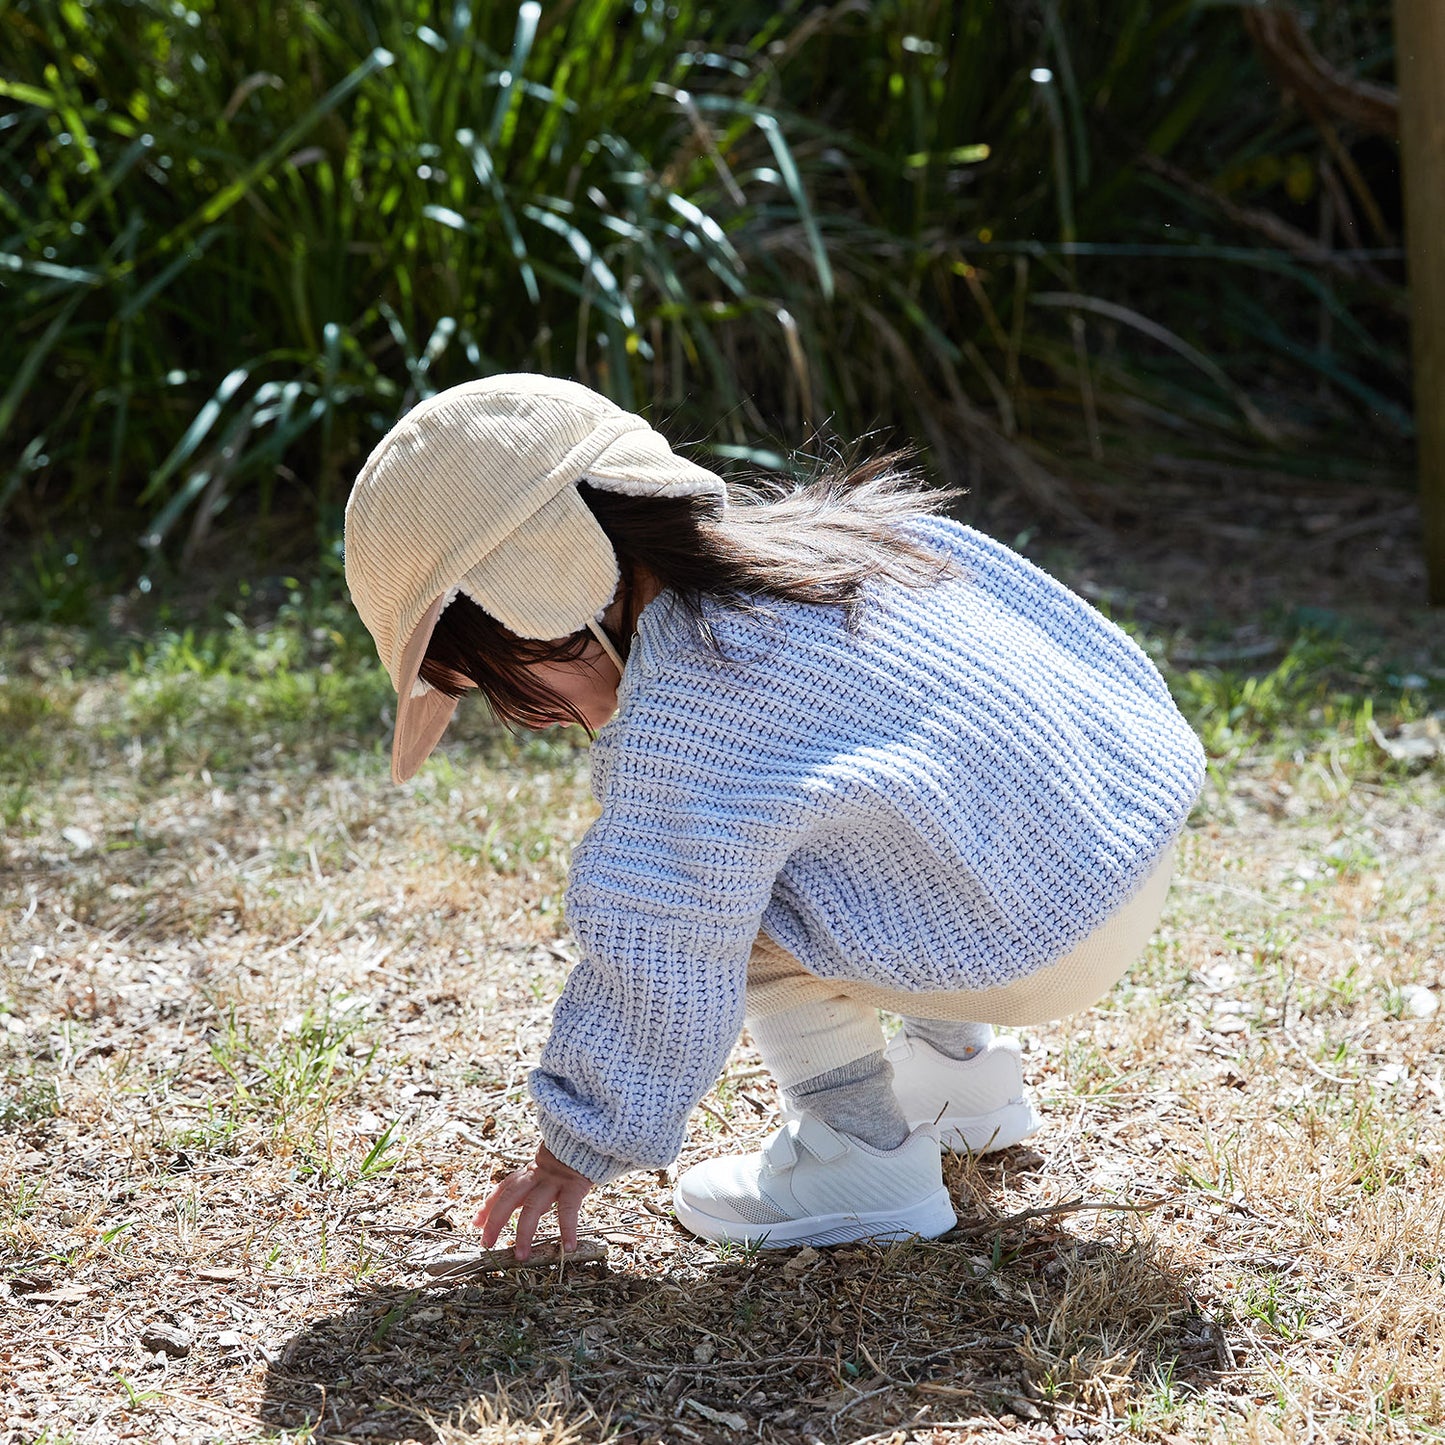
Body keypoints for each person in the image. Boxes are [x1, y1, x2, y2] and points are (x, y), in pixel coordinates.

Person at [343, 374, 1205, 1256]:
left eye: (493, 680)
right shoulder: (846, 536)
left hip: (1033, 945)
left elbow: (658, 945)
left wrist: (574, 1147)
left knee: (733, 893)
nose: (519, 713)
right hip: (1127, 838)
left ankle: (858, 1156)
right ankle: (962, 1083)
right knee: (881, 811)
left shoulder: (684, 712)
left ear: (537, 597)